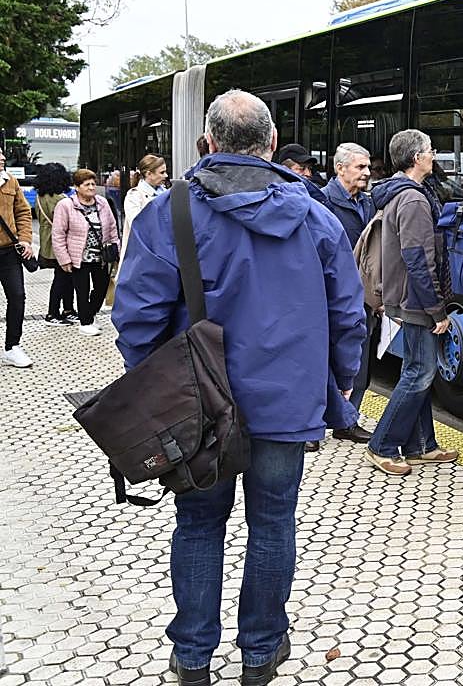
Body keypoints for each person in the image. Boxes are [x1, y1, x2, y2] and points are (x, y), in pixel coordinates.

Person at [112, 89, 366, 686]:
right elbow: (349, 319)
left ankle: (193, 658)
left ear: (208, 144)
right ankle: (261, 653)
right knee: (274, 524)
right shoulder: (317, 218)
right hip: (287, 404)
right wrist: (333, 391)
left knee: (199, 523)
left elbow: (136, 319)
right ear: (272, 146)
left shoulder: (168, 213)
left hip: (198, 406)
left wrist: (157, 390)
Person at [364, 129, 459, 476]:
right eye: (431, 150)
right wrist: (437, 310)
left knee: (416, 370)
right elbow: (419, 259)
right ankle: (383, 444)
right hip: (415, 300)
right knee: (421, 373)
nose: (434, 155)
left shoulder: (398, 194)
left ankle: (421, 445)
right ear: (417, 158)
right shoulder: (415, 200)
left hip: (402, 296)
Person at [320, 142, 376, 443]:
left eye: (367, 167)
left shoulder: (367, 204)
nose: (367, 173)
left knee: (361, 362)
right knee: (325, 360)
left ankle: (347, 420)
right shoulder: (324, 203)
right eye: (360, 167)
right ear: (339, 169)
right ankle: (314, 427)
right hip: (332, 297)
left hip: (363, 298)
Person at [52, 169, 119, 338]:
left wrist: (115, 249)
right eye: (86, 184)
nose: (91, 187)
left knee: (101, 288)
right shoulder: (66, 205)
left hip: (101, 256)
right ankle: (85, 322)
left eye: (93, 184)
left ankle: (90, 314)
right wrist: (64, 259)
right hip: (78, 257)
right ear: (76, 187)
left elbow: (112, 228)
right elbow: (58, 234)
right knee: (82, 290)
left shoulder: (102, 203)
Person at [0, 146, 36, 368]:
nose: (3, 157)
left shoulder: (10, 181)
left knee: (17, 297)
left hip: (8, 252)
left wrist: (25, 239)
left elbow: (23, 211)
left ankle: (12, 347)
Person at [32, 163, 78, 327]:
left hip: (47, 241)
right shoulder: (62, 200)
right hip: (61, 243)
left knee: (63, 277)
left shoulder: (39, 197)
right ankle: (54, 313)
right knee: (63, 278)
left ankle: (67, 310)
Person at [118, 154, 168, 267]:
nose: (166, 175)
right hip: (141, 256)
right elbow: (137, 224)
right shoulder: (134, 196)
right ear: (149, 174)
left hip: (163, 254)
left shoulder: (166, 193)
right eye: (162, 172)